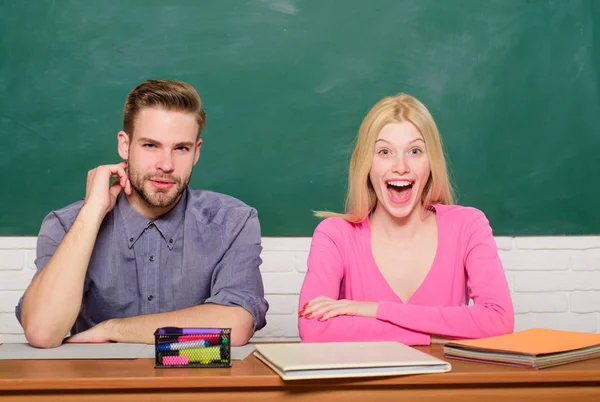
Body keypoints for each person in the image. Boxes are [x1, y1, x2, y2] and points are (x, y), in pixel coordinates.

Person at [16, 79, 268, 348]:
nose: (166, 165)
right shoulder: (66, 224)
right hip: (94, 386)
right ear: (125, 146)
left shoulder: (233, 222)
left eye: (181, 148)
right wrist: (92, 211)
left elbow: (236, 326)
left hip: (193, 385)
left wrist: (114, 329)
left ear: (196, 152)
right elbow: (42, 332)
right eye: (150, 146)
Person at [298, 93, 513, 345]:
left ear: (431, 162)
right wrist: (435, 335)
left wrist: (375, 309)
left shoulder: (468, 226)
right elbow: (314, 329)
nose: (400, 166)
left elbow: (498, 321)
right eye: (385, 151)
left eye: (415, 151)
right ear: (366, 164)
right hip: (364, 383)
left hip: (446, 383)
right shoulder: (335, 234)